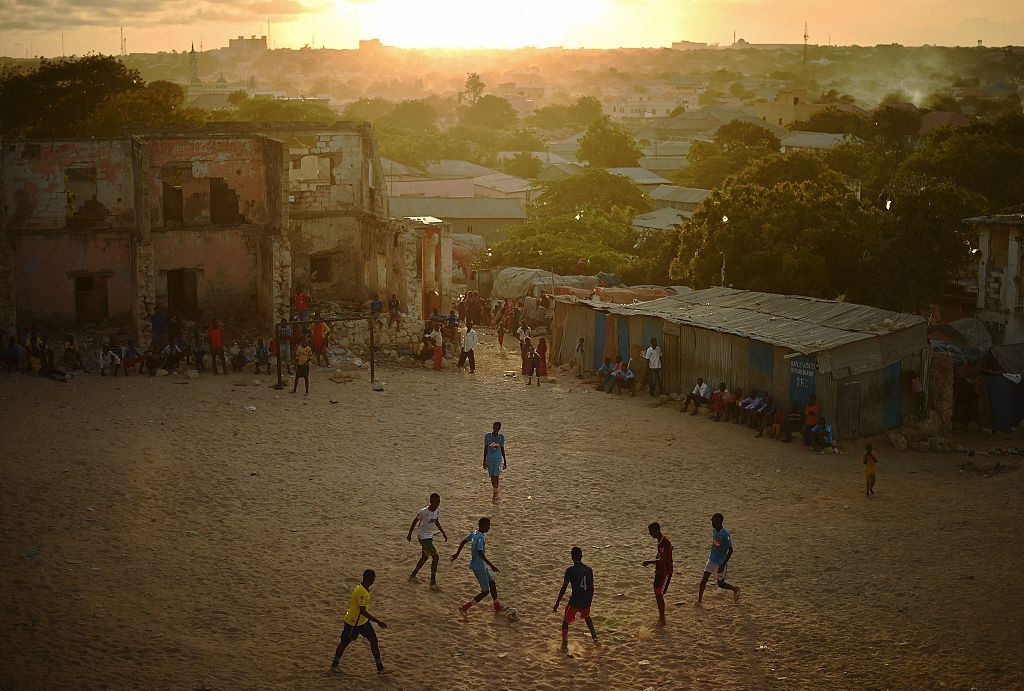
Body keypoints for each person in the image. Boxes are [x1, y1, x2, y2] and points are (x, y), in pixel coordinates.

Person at [331, 569, 389, 675]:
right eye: (373, 578)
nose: (374, 580)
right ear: (368, 578)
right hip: (353, 623)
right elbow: (363, 611)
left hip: (363, 622)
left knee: (374, 641)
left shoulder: (364, 588)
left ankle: (380, 668)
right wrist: (378, 622)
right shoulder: (361, 592)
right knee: (344, 643)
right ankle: (334, 665)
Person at [450, 517, 503, 617]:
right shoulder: (480, 537)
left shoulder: (474, 533)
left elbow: (463, 542)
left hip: (481, 565)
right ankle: (465, 608)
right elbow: (480, 553)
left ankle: (497, 606)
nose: (489, 528)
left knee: (492, 582)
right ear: (483, 526)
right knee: (485, 591)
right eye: (488, 526)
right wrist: (492, 565)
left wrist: (457, 554)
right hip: (479, 567)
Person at [553, 546, 598, 653]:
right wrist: (589, 602)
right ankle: (595, 639)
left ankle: (564, 645)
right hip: (586, 601)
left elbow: (564, 587)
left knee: (565, 622)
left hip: (575, 601)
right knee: (587, 617)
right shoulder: (589, 570)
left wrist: (557, 603)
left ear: (572, 557)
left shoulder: (570, 571)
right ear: (582, 556)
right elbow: (592, 588)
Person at [407, 493, 448, 589]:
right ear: (431, 501)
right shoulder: (423, 512)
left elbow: (436, 521)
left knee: (424, 557)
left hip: (429, 537)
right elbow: (414, 522)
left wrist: (443, 533)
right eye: (436, 501)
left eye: (439, 501)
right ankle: (432, 583)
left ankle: (412, 576)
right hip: (423, 537)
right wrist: (409, 534)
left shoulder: (437, 510)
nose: (438, 503)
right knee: (436, 558)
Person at [697, 513, 740, 605]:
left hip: (720, 562)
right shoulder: (714, 530)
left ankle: (735, 589)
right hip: (711, 559)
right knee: (704, 579)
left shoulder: (725, 534)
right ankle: (699, 600)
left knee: (720, 584)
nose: (712, 523)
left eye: (713, 521)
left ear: (719, 522)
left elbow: (731, 550)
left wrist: (723, 564)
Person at [642, 522, 673, 627]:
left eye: (651, 532)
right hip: (659, 571)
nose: (650, 534)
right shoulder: (661, 541)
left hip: (665, 572)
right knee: (657, 593)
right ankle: (661, 617)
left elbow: (663, 560)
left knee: (659, 594)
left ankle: (663, 619)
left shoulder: (664, 542)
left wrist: (649, 562)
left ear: (656, 530)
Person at [483, 421, 507, 499]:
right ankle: (495, 489)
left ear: (499, 428)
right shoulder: (487, 436)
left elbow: (502, 449)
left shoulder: (501, 437)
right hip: (490, 459)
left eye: (497, 428)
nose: (495, 429)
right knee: (492, 476)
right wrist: (484, 460)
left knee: (496, 476)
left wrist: (505, 460)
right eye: (494, 427)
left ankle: (495, 492)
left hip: (498, 459)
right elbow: (486, 448)